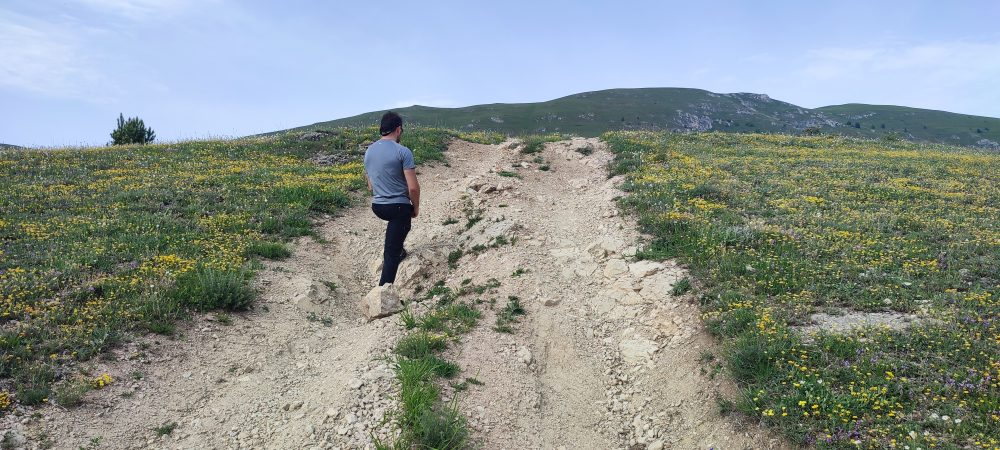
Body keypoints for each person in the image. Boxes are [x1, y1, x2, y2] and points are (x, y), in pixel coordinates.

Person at [363, 111, 420, 286]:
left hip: (378, 206)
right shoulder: (403, 151)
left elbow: (370, 186)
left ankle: (399, 248)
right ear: (398, 129)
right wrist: (415, 208)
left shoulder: (369, 151)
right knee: (391, 252)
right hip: (398, 208)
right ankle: (383, 293)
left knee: (399, 228)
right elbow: (413, 187)